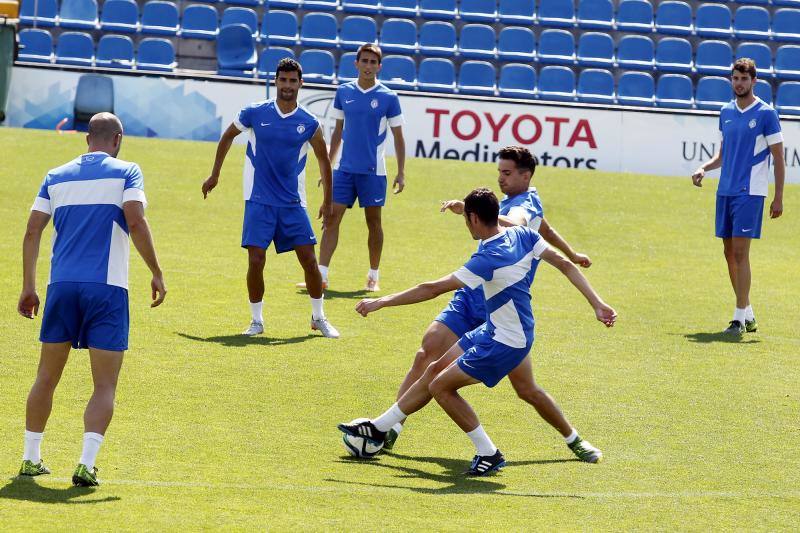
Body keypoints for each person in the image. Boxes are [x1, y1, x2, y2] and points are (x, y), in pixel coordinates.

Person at [339, 188, 617, 476]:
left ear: (473, 218)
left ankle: (489, 452)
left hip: (506, 341)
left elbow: (432, 288)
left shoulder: (487, 259)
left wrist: (383, 301)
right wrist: (597, 304)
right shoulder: (524, 235)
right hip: (498, 328)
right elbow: (564, 264)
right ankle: (378, 428)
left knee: (441, 386)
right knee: (440, 370)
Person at [383, 146, 601, 463]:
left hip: (496, 307)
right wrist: (572, 252)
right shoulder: (526, 200)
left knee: (525, 389)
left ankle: (573, 439)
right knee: (428, 352)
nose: (501, 178)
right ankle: (388, 429)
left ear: (526, 175)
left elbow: (522, 226)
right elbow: (546, 229)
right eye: (499, 172)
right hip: (473, 296)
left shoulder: (523, 205)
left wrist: (472, 211)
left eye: (507, 173)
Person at [17, 112, 167, 487]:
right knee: (104, 385)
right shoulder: (127, 171)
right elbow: (135, 220)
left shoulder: (55, 175)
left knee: (46, 378)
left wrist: (28, 286)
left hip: (61, 287)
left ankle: (30, 457)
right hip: (107, 288)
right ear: (117, 139)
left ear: (87, 139)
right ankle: (85, 463)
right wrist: (156, 271)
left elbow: (33, 230)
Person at [202, 58, 339, 338]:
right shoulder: (254, 113)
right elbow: (227, 137)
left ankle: (318, 316)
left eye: (292, 81)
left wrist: (327, 201)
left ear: (300, 84)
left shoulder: (309, 123)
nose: (287, 86)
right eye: (283, 80)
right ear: (275, 81)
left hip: (292, 203)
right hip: (258, 200)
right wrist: (215, 174)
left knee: (309, 262)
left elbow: (324, 162)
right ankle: (256, 321)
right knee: (255, 260)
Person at [298, 43, 406, 292]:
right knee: (331, 218)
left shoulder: (389, 97)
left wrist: (401, 172)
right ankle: (321, 276)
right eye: (364, 61)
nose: (368, 66)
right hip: (344, 170)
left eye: (373, 62)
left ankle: (373, 276)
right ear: (356, 63)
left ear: (379, 66)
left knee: (373, 223)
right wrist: (328, 168)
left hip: (373, 171)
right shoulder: (343, 91)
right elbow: (337, 132)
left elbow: (399, 137)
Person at [691, 58, 785, 336]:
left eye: (744, 79)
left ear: (754, 81)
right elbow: (723, 155)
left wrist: (778, 197)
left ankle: (737, 319)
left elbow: (779, 158)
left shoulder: (767, 114)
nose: (739, 83)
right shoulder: (725, 112)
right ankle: (749, 313)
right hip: (726, 191)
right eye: (735, 79)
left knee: (742, 253)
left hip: (751, 192)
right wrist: (703, 168)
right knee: (728, 253)